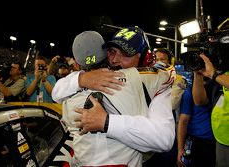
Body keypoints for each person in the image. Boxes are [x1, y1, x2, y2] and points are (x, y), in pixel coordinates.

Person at [62, 30, 175, 166]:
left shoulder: (154, 85)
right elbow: (57, 92)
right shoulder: (79, 83)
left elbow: (164, 139)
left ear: (145, 58)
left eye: (126, 54)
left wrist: (106, 122)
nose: (115, 59)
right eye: (112, 52)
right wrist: (81, 79)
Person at [192, 53, 229, 167]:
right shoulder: (221, 75)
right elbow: (200, 101)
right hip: (222, 141)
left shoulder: (218, 76)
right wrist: (197, 74)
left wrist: (213, 73)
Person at [177, 79, 216, 167]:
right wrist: (180, 149)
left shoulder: (217, 88)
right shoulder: (189, 92)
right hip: (197, 142)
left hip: (215, 141)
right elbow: (183, 121)